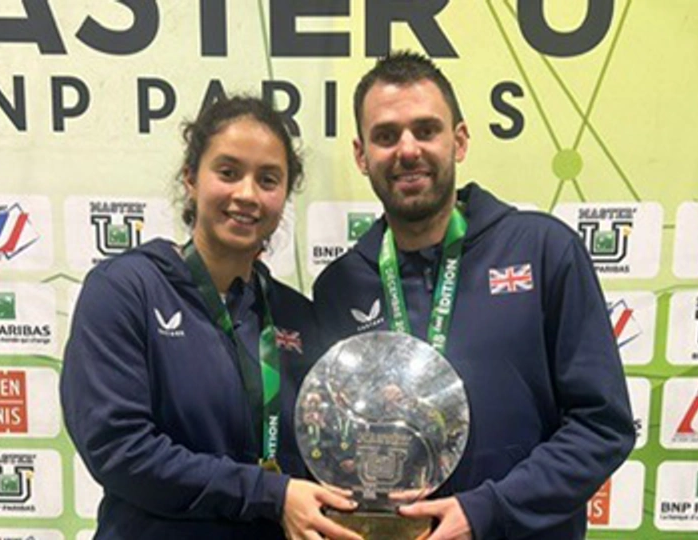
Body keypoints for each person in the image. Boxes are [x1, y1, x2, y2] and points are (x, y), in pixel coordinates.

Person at [312, 51, 635, 539]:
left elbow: (602, 426)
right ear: (361, 155)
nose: (407, 149)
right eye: (386, 135)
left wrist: (488, 510)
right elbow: (331, 438)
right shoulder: (340, 285)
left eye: (426, 130)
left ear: (458, 141)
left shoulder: (544, 250)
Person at [61, 96, 362, 540]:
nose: (247, 194)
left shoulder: (294, 314)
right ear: (191, 179)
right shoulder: (126, 290)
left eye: (268, 179)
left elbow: (316, 449)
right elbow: (119, 450)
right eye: (228, 172)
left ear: (284, 196)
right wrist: (268, 493)